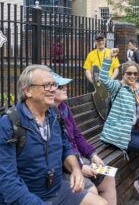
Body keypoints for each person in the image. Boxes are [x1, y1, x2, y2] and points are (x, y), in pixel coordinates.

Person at [0, 65, 107, 205]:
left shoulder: (54, 115)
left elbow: (65, 146)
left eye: (54, 84)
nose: (53, 89)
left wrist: (75, 169)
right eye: (46, 85)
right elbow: (7, 180)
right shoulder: (9, 123)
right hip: (27, 196)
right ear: (28, 91)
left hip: (56, 190)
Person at [99, 52, 139, 202]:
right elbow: (103, 78)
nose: (133, 76)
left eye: (135, 74)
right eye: (129, 73)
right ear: (123, 74)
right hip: (120, 133)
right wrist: (108, 59)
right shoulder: (118, 87)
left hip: (134, 131)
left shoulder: (138, 88)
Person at [53, 72, 117, 205]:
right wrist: (80, 167)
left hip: (77, 159)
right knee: (91, 191)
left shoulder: (64, 108)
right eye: (61, 86)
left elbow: (76, 135)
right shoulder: (49, 115)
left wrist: (92, 154)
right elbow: (59, 151)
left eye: (65, 86)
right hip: (64, 167)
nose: (66, 88)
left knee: (109, 178)